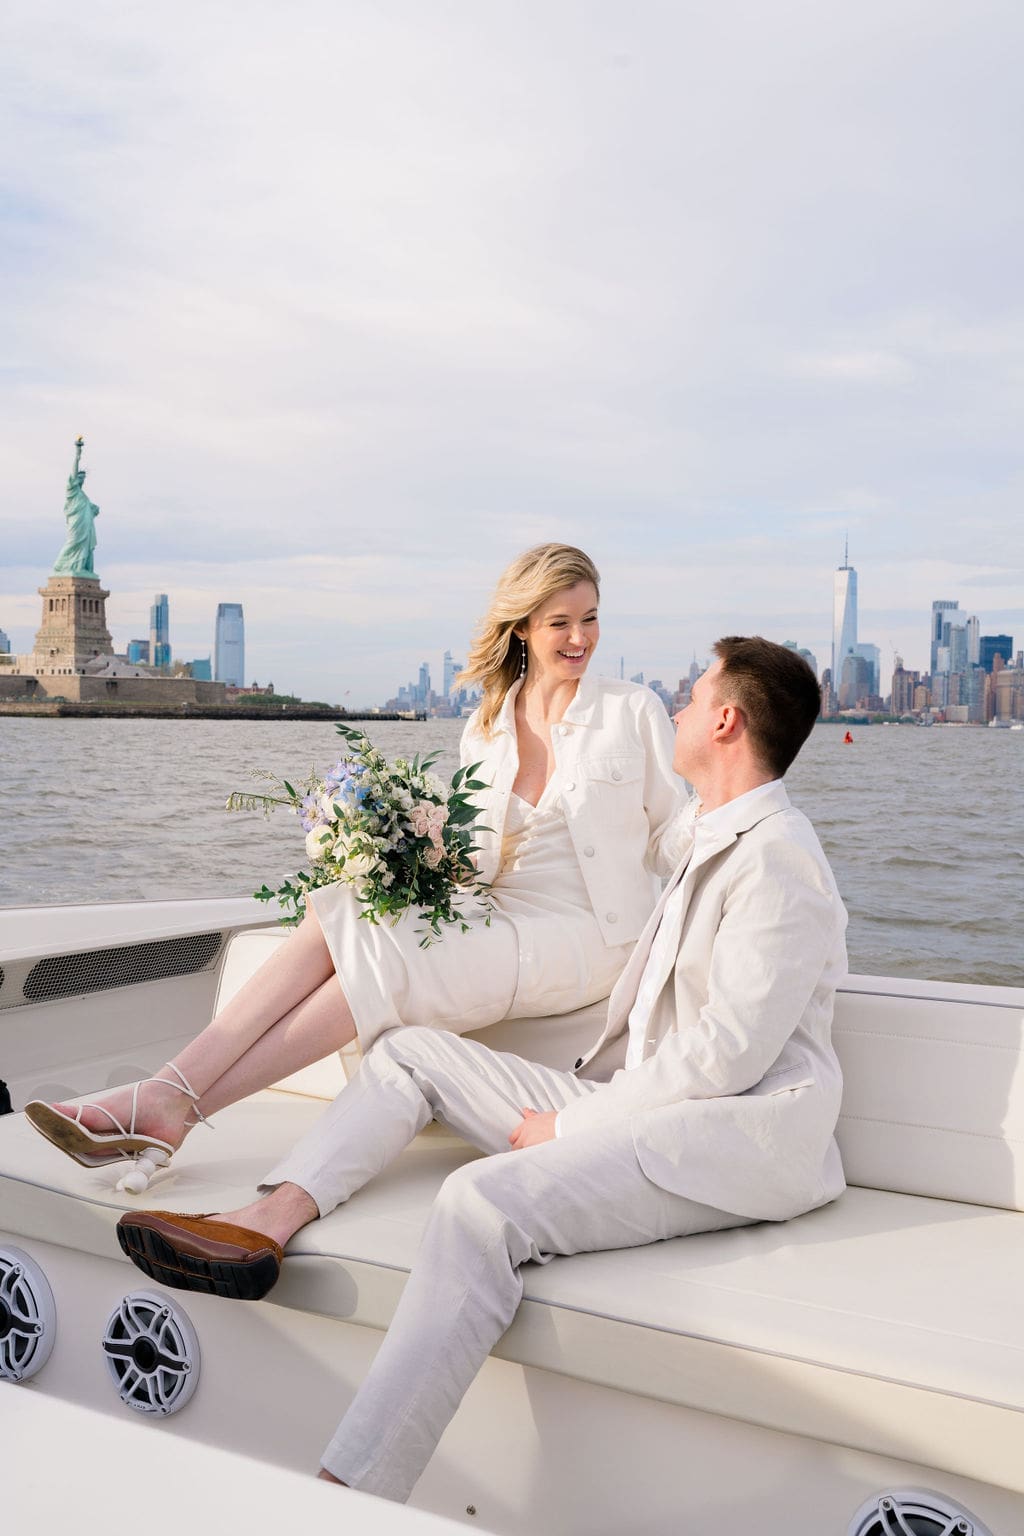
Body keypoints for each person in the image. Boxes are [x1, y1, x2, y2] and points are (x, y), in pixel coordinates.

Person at [116, 636, 848, 1505]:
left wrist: (567, 1128)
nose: (679, 707)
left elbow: (725, 1059)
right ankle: (269, 1218)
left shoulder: (780, 861)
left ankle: (346, 1492)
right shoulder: (705, 828)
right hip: (645, 1102)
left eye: (694, 697)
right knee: (409, 1051)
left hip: (729, 1146)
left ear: (726, 721)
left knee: (478, 1202)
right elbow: (592, 836)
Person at [25, 543, 689, 1180]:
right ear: (521, 628)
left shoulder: (630, 711)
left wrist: (748, 855)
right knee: (339, 903)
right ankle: (171, 1099)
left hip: (590, 937)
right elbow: (476, 853)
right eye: (560, 623)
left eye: (591, 618)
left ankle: (171, 1102)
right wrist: (405, 852)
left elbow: (672, 835)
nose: (580, 638)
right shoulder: (485, 726)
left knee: (378, 963)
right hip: (494, 914)